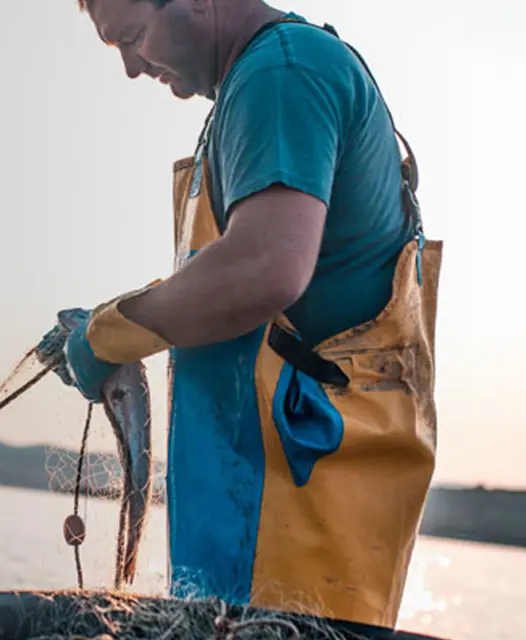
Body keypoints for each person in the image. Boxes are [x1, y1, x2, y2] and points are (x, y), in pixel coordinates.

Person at [38, 0, 443, 631]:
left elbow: (263, 269)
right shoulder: (260, 84)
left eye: (135, 36)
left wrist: (111, 335)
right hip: (247, 551)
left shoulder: (281, 75)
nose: (130, 68)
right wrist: (101, 324)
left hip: (296, 556)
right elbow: (236, 280)